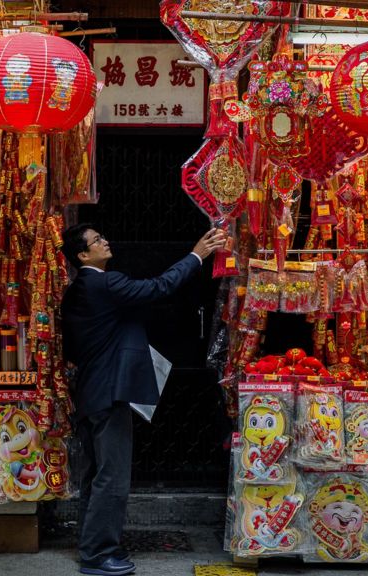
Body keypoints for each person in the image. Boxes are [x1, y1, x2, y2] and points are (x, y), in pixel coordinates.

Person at [60, 223, 226, 576]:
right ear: (83, 255)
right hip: (109, 392)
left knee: (94, 475)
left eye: (102, 236)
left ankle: (92, 546)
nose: (105, 241)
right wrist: (197, 255)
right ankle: (98, 555)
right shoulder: (103, 283)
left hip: (91, 391)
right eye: (96, 240)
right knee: (112, 478)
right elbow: (159, 287)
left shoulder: (77, 291)